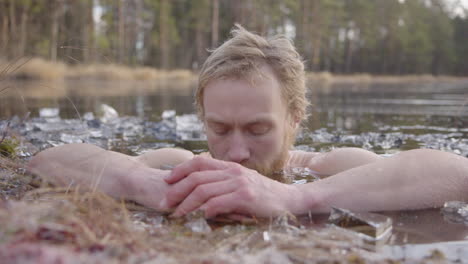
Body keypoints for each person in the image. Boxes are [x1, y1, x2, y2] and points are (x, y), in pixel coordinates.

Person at [27, 25, 468, 220]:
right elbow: (47, 161)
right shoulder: (183, 163)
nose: (236, 153)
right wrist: (145, 186)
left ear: (295, 116)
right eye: (219, 129)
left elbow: (456, 174)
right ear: (202, 119)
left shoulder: (323, 165)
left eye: (258, 130)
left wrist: (299, 199)